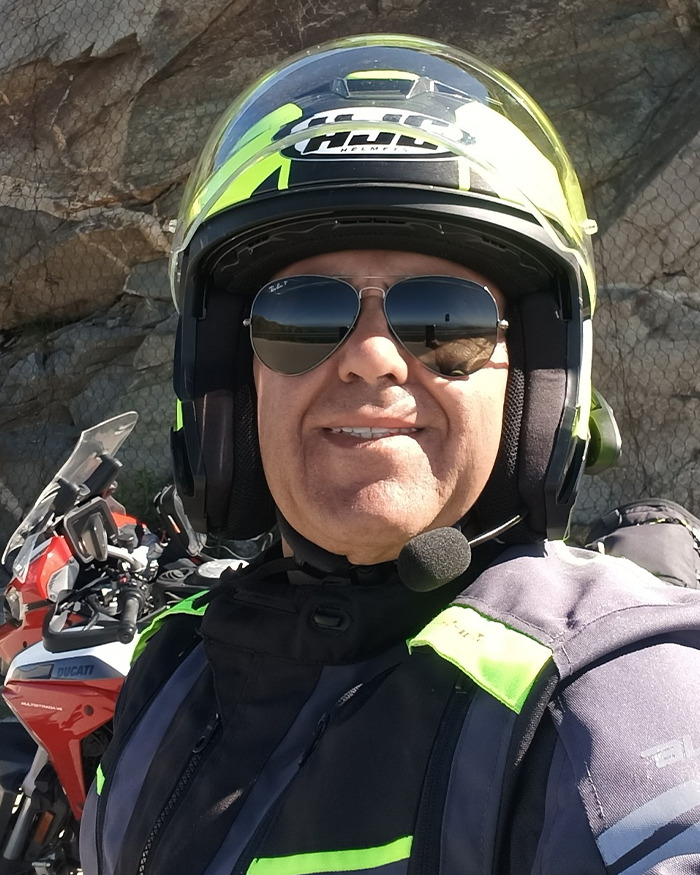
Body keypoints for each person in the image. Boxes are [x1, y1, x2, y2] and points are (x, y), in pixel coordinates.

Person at [80, 34, 700, 874]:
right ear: (233, 378)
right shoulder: (174, 666)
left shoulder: (604, 688)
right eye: (301, 314)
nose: (372, 357)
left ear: (535, 386)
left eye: (446, 318)